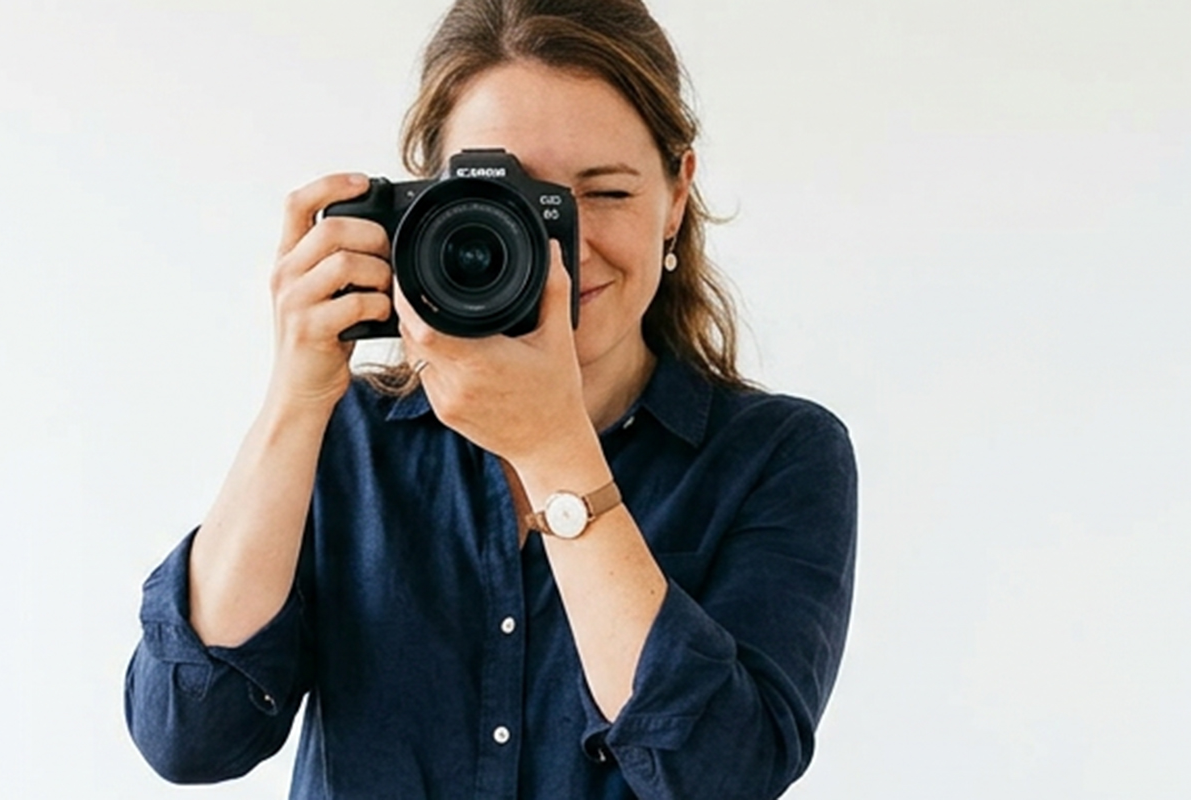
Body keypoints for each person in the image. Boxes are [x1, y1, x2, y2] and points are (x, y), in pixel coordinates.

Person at [124, 1, 857, 798]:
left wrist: (555, 452)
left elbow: (722, 775)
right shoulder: (346, 435)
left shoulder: (778, 456)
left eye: (603, 194)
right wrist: (296, 398)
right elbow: (188, 735)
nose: (557, 250)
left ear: (676, 196)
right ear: (426, 203)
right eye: (514, 201)